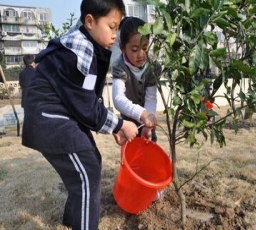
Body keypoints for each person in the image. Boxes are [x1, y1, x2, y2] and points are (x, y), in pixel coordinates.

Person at [21, 0, 139, 229]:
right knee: (87, 172)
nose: (115, 35)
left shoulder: (87, 44)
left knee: (90, 162)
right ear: (90, 21)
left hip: (60, 115)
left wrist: (112, 125)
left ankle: (74, 221)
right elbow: (85, 107)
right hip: (50, 119)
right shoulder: (76, 51)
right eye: (111, 27)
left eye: (118, 28)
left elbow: (88, 99)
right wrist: (121, 125)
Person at [111, 17, 161, 142]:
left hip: (147, 119)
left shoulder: (152, 67)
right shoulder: (119, 66)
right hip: (128, 121)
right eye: (134, 49)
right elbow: (118, 99)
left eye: (144, 47)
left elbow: (150, 97)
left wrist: (147, 122)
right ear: (123, 48)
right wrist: (142, 114)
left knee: (149, 149)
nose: (141, 54)